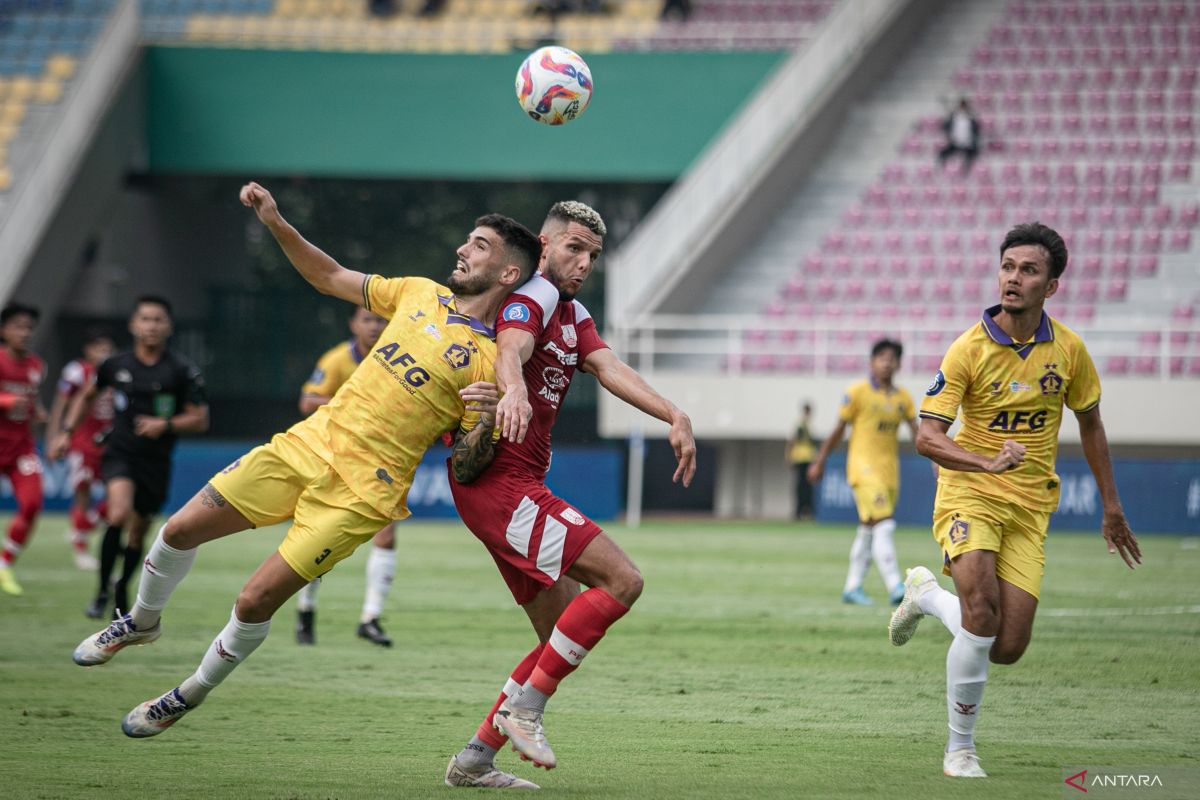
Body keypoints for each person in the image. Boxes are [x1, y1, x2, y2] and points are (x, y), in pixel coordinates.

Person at [71, 182, 540, 742]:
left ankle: (186, 694)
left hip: (363, 494)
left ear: (508, 274)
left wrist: (484, 421)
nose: (463, 249)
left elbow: (465, 468)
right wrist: (274, 221)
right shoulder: (418, 293)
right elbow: (328, 276)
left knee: (253, 599)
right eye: (467, 240)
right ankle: (142, 621)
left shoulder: (491, 361)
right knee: (179, 529)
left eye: (480, 245)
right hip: (305, 446)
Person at [443, 201, 696, 789]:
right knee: (624, 580)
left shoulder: (572, 311)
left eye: (592, 255)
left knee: (557, 633)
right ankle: (525, 710)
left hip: (513, 486)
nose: (582, 263)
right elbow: (511, 347)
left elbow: (608, 368)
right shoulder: (532, 296)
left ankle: (475, 758)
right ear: (544, 244)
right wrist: (513, 391)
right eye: (573, 248)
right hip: (501, 484)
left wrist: (673, 413)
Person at [888, 222, 1141, 778]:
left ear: (1051, 286)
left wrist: (1112, 505)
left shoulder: (1069, 351)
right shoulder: (969, 348)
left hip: (1029, 507)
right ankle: (960, 749)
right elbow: (926, 436)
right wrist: (982, 461)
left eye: (1028, 270)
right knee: (981, 615)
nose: (1013, 278)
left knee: (1006, 646)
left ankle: (926, 596)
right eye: (1007, 266)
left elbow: (1092, 425)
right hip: (969, 493)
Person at [52, 298, 209, 620]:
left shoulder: (180, 370)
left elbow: (200, 419)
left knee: (138, 532)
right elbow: (88, 395)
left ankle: (122, 585)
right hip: (120, 452)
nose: (151, 325)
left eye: (158, 320)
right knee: (118, 513)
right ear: (133, 325)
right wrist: (67, 431)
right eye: (145, 319)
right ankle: (100, 592)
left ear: (168, 326)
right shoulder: (114, 365)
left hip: (156, 461)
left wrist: (164, 424)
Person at [294, 306, 398, 647]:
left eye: (381, 319)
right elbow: (307, 400)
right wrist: (351, 402)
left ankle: (370, 618)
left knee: (386, 534)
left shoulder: (398, 358)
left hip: (380, 459)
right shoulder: (338, 359)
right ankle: (306, 609)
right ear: (353, 324)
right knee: (321, 538)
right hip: (335, 456)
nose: (374, 326)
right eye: (367, 319)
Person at [807, 340, 917, 606]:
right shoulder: (857, 392)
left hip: (889, 471)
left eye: (892, 357)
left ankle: (852, 587)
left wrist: (937, 459)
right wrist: (820, 460)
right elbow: (838, 429)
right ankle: (895, 585)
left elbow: (918, 431)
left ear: (899, 364)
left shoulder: (903, 398)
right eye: (881, 356)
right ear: (871, 362)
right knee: (885, 523)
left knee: (869, 529)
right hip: (863, 468)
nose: (887, 362)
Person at [46, 329, 115, 571]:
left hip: (110, 444)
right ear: (88, 350)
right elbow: (60, 405)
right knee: (83, 492)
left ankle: (84, 528)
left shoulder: (117, 373)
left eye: (108, 348)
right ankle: (81, 550)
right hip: (82, 444)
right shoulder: (77, 371)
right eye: (99, 348)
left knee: (117, 497)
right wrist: (54, 437)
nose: (104, 353)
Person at [0, 303, 46, 596]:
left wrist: (39, 411)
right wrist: (6, 402)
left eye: (28, 327)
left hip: (21, 449)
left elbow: (31, 398)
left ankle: (4, 564)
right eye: (18, 326)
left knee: (31, 503)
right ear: (4, 330)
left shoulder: (35, 365)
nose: (24, 332)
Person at [786, 401, 817, 520]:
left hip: (808, 458)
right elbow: (792, 441)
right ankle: (798, 511)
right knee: (800, 486)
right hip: (800, 458)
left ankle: (806, 510)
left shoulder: (808, 426)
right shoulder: (800, 425)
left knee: (807, 486)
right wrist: (789, 456)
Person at [937, 98, 981, 174]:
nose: (962, 109)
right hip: (955, 142)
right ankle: (942, 170)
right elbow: (945, 127)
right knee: (942, 153)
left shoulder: (971, 118)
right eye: (961, 107)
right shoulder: (954, 117)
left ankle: (965, 171)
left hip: (968, 142)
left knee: (972, 155)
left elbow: (976, 130)